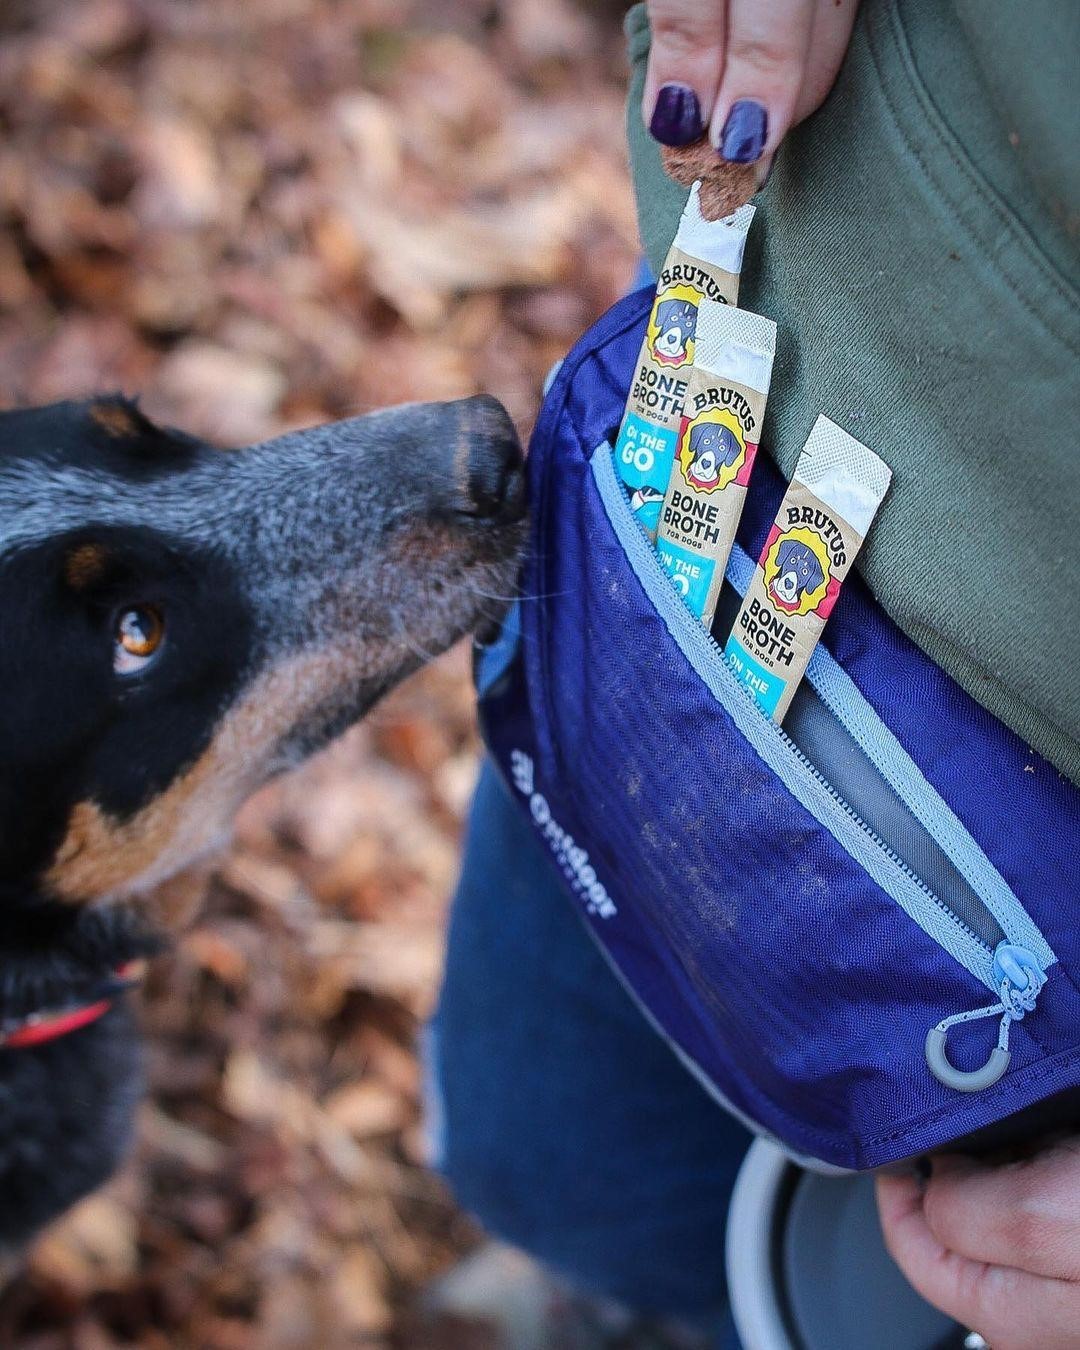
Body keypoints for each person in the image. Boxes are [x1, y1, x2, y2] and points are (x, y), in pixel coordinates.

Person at [427, 2, 1080, 1346]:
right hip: (715, 468)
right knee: (538, 1149)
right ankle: (620, 1293)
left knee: (829, 1295)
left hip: (1022, 906)